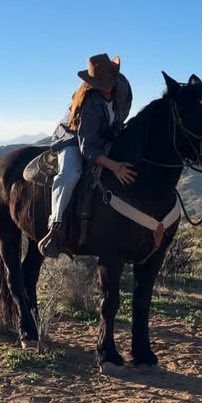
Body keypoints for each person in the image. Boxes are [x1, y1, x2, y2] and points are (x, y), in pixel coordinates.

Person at [38, 53, 137, 257]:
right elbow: (88, 148)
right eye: (102, 83)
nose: (107, 86)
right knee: (71, 173)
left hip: (105, 132)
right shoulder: (89, 103)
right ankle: (56, 227)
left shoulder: (124, 88)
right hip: (74, 138)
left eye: (109, 80)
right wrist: (115, 167)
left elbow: (122, 114)